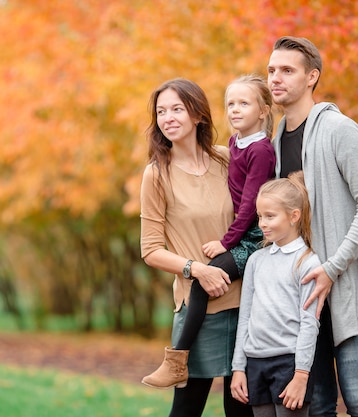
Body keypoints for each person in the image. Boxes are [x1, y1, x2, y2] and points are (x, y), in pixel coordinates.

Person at [266, 36, 358, 417]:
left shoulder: (340, 130)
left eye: (287, 70)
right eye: (271, 70)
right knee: (317, 405)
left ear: (311, 77)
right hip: (304, 298)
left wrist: (331, 268)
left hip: (348, 288)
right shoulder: (274, 144)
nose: (276, 78)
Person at [142, 74, 276, 390]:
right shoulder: (156, 175)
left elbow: (260, 207)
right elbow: (150, 250)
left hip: (247, 305)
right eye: (161, 112)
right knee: (187, 409)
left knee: (240, 407)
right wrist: (197, 270)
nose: (167, 118)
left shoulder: (226, 157)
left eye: (176, 109)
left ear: (198, 114)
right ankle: (175, 359)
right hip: (198, 309)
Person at [230, 172, 321, 417]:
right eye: (260, 216)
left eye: (270, 216)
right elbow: (245, 316)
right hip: (255, 363)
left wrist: (301, 375)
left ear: (294, 216)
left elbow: (309, 323)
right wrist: (239, 367)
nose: (262, 224)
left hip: (289, 364)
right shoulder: (256, 261)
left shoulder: (308, 262)